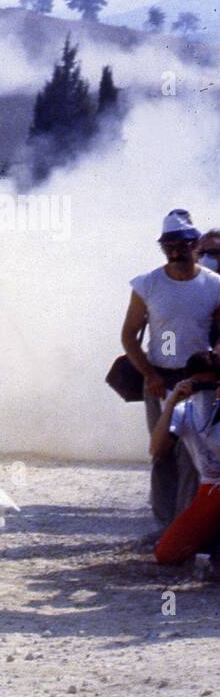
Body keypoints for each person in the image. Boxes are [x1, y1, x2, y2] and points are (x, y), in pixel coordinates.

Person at [121, 208, 220, 524]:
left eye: (183, 246)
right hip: (160, 378)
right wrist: (149, 375)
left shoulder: (214, 284)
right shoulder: (147, 285)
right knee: (162, 451)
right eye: (170, 247)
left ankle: (186, 522)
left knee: (194, 455)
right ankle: (163, 524)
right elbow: (129, 335)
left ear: (195, 246)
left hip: (200, 378)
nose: (176, 253)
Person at [151, 351, 220, 566]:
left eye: (210, 385)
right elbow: (156, 449)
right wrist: (171, 402)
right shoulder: (184, 412)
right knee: (167, 554)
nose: (204, 391)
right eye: (197, 384)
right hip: (209, 489)